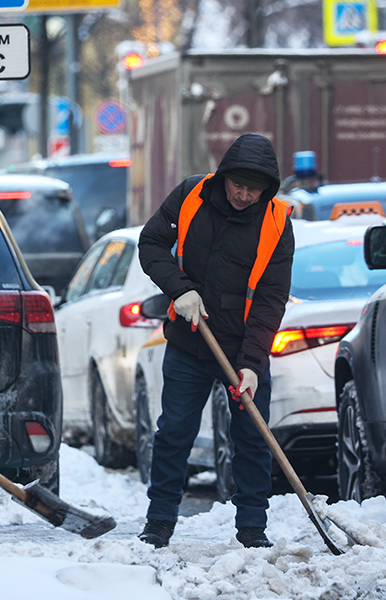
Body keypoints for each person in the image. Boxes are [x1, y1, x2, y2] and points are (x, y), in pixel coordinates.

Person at [136, 133, 294, 549]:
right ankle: (159, 522)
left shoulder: (277, 222)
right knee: (174, 433)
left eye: (253, 189)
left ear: (268, 188)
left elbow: (270, 299)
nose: (243, 195)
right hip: (190, 343)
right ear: (223, 177)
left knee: (252, 437)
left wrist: (253, 363)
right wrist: (179, 288)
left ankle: (252, 528)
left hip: (243, 349)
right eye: (236, 185)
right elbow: (151, 243)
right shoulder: (191, 195)